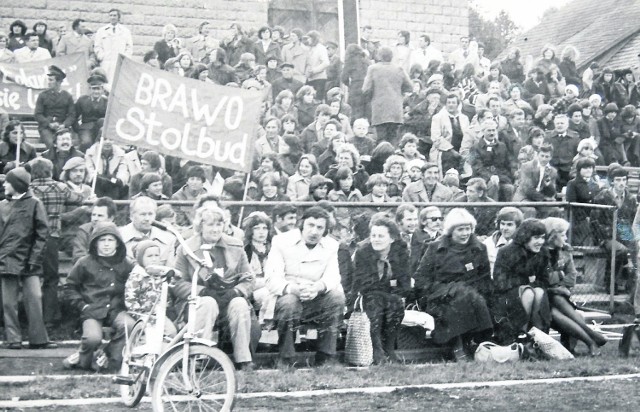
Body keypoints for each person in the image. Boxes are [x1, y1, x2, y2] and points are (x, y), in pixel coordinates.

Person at [171, 205, 257, 370]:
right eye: (210, 225)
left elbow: (249, 278)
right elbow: (177, 282)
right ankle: (197, 358)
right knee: (208, 302)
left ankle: (244, 360)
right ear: (200, 226)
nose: (215, 229)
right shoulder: (186, 248)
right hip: (198, 302)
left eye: (219, 224)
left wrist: (236, 291)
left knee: (239, 303)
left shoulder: (236, 246)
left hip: (227, 298)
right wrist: (201, 291)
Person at [265, 206, 345, 367]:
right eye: (310, 225)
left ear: (325, 230)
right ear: (302, 224)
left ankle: (325, 356)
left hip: (316, 297)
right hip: (288, 295)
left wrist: (318, 287)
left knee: (337, 298)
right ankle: (286, 357)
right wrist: (292, 289)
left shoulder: (331, 245)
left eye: (320, 227)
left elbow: (333, 276)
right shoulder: (281, 241)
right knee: (289, 303)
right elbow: (272, 278)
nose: (314, 232)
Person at [414, 208, 493, 360]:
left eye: (468, 229)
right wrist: (446, 290)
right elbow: (421, 278)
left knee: (466, 296)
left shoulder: (479, 248)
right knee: (460, 296)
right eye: (460, 229)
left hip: (472, 294)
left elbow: (484, 278)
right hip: (440, 296)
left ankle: (468, 344)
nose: (465, 233)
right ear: (451, 230)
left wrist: (470, 291)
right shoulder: (435, 248)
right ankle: (459, 346)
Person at [62, 222, 135, 370]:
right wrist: (82, 305)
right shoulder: (84, 262)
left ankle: (110, 358)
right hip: (92, 309)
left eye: (111, 240)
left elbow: (135, 284)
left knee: (129, 326)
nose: (106, 244)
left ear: (118, 243)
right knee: (92, 338)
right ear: (95, 243)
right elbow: (69, 286)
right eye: (102, 240)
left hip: (117, 309)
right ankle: (84, 358)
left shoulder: (126, 263)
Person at [0, 167, 54, 350]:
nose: (4, 184)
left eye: (8, 181)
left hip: (31, 260)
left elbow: (42, 233)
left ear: (16, 185)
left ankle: (38, 339)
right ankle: (13, 339)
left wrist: (34, 259)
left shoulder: (35, 203)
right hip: (7, 260)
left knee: (35, 297)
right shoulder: (2, 206)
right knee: (8, 302)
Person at [29, 158, 84, 327]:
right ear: (50, 171)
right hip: (51, 237)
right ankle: (49, 318)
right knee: (51, 278)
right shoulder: (60, 187)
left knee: (29, 277)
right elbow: (78, 198)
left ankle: (31, 316)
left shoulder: (28, 189)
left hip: (29, 238)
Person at [543, 217, 608, 355]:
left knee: (557, 306)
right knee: (556, 303)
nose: (566, 238)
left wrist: (556, 283)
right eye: (562, 234)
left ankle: (591, 342)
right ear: (553, 236)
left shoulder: (565, 251)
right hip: (544, 297)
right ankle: (591, 338)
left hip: (557, 296)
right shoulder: (541, 251)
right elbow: (543, 279)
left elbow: (572, 278)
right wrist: (559, 277)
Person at [351, 216, 409, 363]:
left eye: (381, 236)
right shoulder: (362, 252)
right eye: (373, 235)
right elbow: (364, 283)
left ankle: (389, 349)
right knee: (376, 301)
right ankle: (377, 350)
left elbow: (404, 281)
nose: (376, 239)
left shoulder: (401, 251)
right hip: (367, 296)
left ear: (391, 239)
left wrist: (391, 289)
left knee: (396, 303)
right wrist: (388, 287)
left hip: (390, 295)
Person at [492, 219, 552, 343]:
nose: (540, 242)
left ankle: (537, 335)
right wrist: (526, 284)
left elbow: (545, 280)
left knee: (539, 292)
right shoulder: (506, 252)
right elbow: (500, 283)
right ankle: (520, 335)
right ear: (525, 237)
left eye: (542, 237)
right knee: (528, 292)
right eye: (536, 238)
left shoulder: (543, 253)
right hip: (507, 297)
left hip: (533, 294)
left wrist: (531, 285)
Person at [591, 165, 637, 296]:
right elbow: (595, 222)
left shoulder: (631, 199)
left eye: (624, 179)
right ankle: (610, 283)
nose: (621, 183)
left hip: (624, 234)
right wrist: (609, 233)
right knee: (620, 250)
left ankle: (632, 285)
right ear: (612, 181)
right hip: (606, 236)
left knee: (636, 248)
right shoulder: (602, 197)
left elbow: (634, 221)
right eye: (618, 180)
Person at [362, 46, 413, 147]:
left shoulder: (373, 68)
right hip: (396, 110)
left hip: (379, 109)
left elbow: (365, 89)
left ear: (379, 56)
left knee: (381, 139)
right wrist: (398, 92)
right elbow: (410, 87)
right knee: (394, 139)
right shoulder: (399, 68)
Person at [119, 196, 176, 264]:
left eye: (150, 214)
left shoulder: (168, 238)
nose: (147, 218)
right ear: (131, 216)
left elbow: (170, 269)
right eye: (143, 214)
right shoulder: (119, 237)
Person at [469, 119, 514, 201]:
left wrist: (501, 177)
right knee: (493, 184)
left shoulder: (502, 146)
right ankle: (492, 210)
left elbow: (507, 165)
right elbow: (477, 167)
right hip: (482, 179)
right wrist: (490, 176)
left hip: (500, 178)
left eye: (493, 130)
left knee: (510, 188)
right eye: (489, 130)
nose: (492, 133)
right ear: (483, 131)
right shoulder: (475, 147)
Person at [34, 65, 76, 150]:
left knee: (64, 144)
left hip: (62, 127)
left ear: (59, 82)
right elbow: (38, 114)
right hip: (46, 128)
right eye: (48, 80)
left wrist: (64, 125)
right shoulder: (43, 95)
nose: (48, 82)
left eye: (51, 80)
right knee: (52, 145)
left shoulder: (67, 96)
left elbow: (72, 115)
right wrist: (49, 124)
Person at [72, 196, 116, 264]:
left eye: (100, 216)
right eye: (93, 215)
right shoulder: (84, 231)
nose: (95, 219)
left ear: (111, 218)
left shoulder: (119, 232)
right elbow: (78, 257)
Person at [94, 9, 133, 83]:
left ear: (118, 17)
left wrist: (124, 59)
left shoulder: (125, 31)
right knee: (105, 82)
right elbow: (97, 46)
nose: (112, 17)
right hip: (106, 62)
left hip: (119, 63)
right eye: (111, 15)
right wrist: (101, 56)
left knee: (117, 82)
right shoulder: (101, 31)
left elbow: (129, 48)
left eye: (114, 15)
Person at [565, 157, 597, 246]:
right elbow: (571, 203)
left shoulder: (595, 185)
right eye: (585, 168)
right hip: (577, 217)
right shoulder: (572, 184)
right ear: (579, 170)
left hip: (592, 216)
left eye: (590, 168)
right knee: (586, 224)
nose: (588, 170)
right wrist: (585, 217)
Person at [544, 114, 581, 189]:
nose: (559, 125)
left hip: (568, 170)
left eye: (562, 123)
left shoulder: (575, 137)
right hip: (552, 169)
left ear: (567, 125)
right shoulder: (548, 136)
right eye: (557, 123)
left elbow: (578, 154)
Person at [483, 207, 524, 275]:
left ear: (518, 226)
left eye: (509, 224)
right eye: (502, 224)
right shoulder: (488, 243)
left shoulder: (524, 244)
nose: (505, 228)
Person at [73, 73, 108, 151]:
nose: (96, 92)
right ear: (89, 89)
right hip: (86, 128)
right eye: (93, 89)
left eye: (98, 89)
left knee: (101, 142)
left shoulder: (106, 101)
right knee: (86, 143)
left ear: (102, 89)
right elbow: (74, 116)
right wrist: (78, 129)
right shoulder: (82, 100)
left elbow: (110, 118)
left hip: (100, 128)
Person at [305, 31, 329, 100]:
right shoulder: (309, 49)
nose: (307, 40)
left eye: (309, 38)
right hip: (310, 78)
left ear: (314, 39)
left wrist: (314, 70)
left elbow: (326, 63)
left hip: (319, 78)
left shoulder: (321, 48)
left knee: (318, 99)